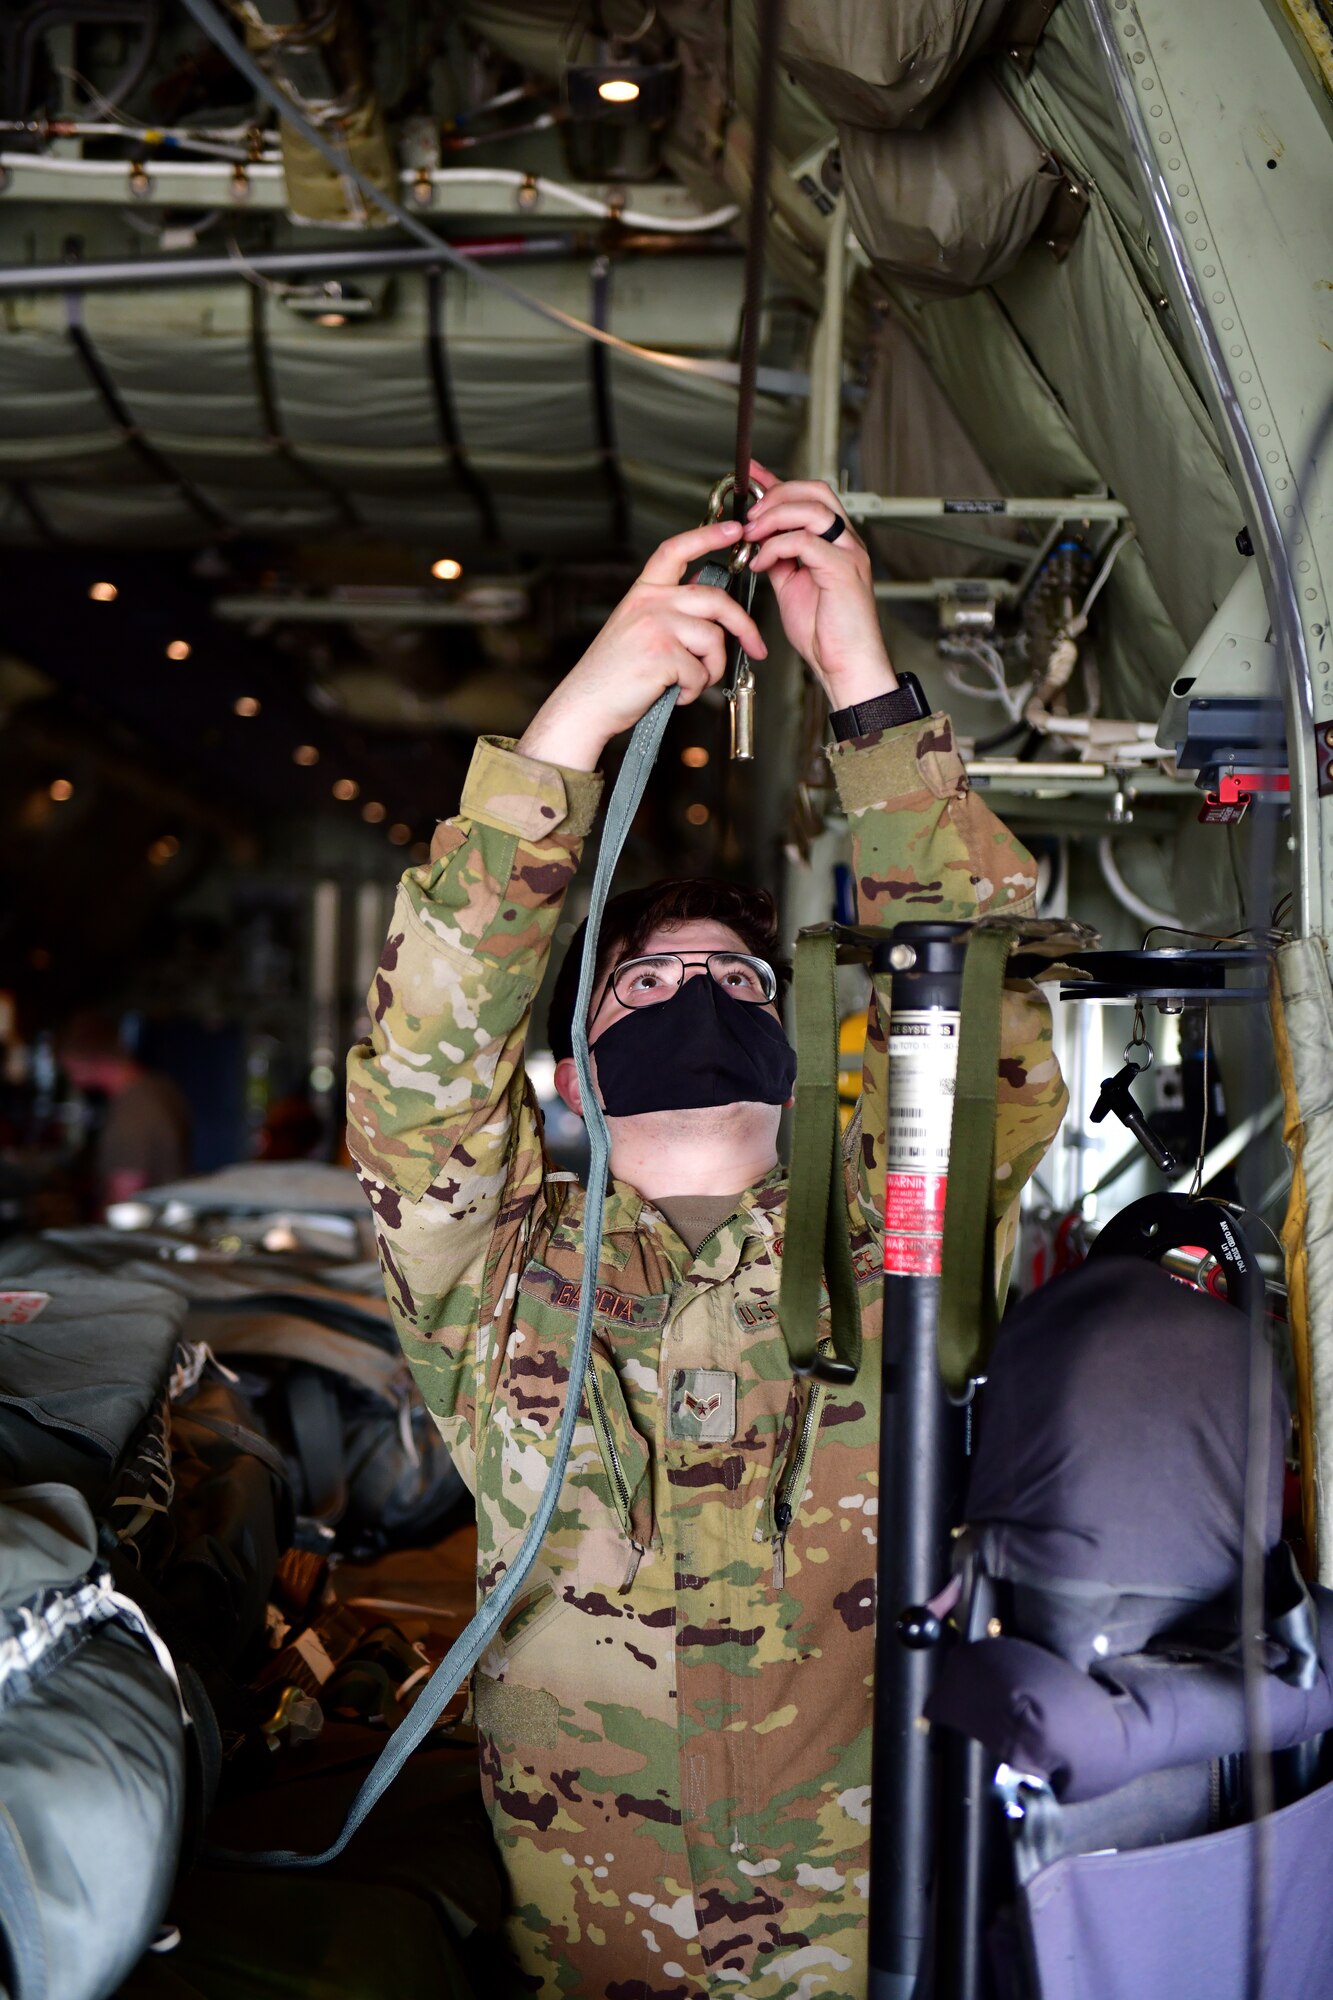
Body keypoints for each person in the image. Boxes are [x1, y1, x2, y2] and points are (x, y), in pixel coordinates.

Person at [346, 465, 1066, 1999]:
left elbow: (987, 1023)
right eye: (644, 984)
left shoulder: (892, 1249)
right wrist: (574, 725)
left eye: (742, 986)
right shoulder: (496, 1289)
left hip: (870, 1954)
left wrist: (859, 678)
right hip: (593, 1965)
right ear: (574, 1071)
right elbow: (416, 1077)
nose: (695, 996)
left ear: (804, 1066)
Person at [58, 1012, 191, 1212]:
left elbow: (124, 1199)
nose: (69, 1075)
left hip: (144, 1233)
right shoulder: (159, 1087)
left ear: (83, 1058)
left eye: (69, 1065)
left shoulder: (131, 1113)